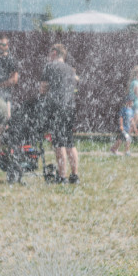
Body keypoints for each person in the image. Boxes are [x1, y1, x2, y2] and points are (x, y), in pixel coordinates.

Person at [40, 44, 80, 184]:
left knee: (58, 142)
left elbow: (43, 88)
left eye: (50, 53)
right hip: (70, 107)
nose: (48, 56)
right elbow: (75, 85)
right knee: (69, 142)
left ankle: (62, 177)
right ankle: (75, 176)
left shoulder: (50, 67)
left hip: (56, 107)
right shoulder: (71, 70)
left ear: (55, 53)